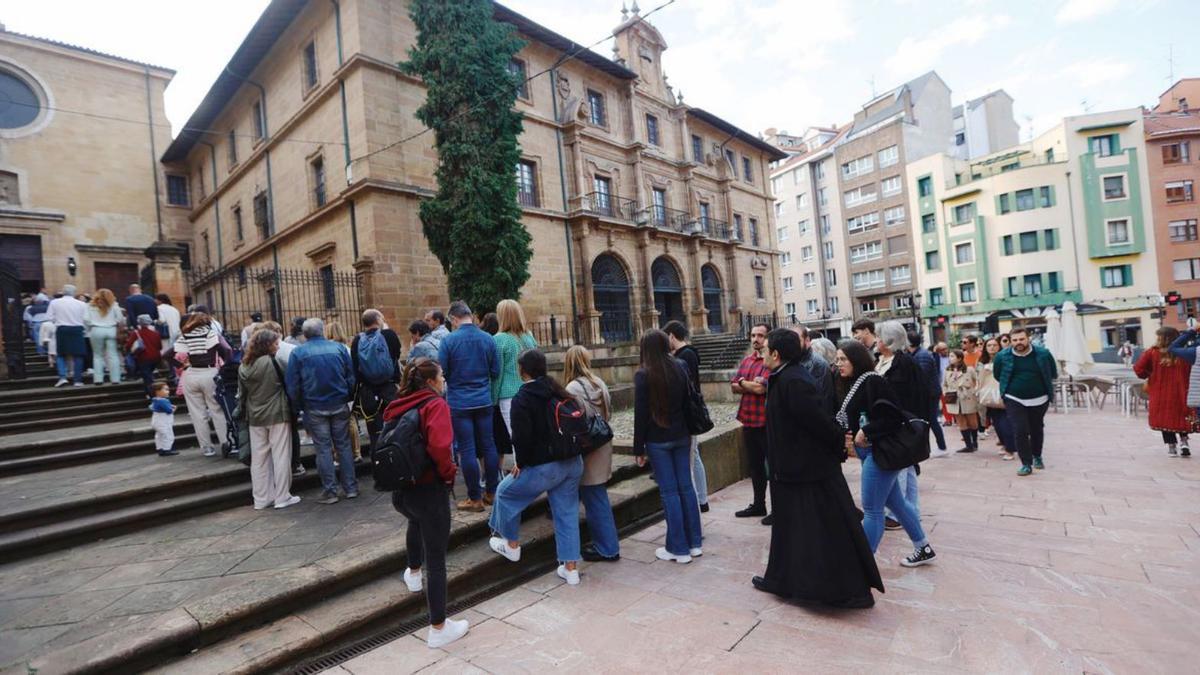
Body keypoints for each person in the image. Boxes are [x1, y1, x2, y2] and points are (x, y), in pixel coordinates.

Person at [751, 329, 883, 608]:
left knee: (820, 532)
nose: (761, 352)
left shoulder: (794, 380)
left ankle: (841, 590)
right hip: (790, 471)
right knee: (789, 529)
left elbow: (818, 423)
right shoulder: (784, 376)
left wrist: (837, 445)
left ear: (776, 354)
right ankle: (780, 579)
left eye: (765, 349)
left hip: (806, 471)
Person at [382, 358, 468, 649]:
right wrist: (448, 475)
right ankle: (439, 627)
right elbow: (441, 447)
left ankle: (413, 574)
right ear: (431, 381)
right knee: (438, 558)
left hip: (402, 490)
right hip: (429, 489)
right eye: (442, 376)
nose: (444, 380)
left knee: (414, 523)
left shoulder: (397, 404)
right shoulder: (435, 405)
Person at [834, 339, 937, 567]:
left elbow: (892, 417)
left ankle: (862, 564)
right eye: (837, 359)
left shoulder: (872, 381)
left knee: (872, 509)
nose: (838, 363)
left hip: (880, 453)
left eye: (843, 359)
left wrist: (866, 431)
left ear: (856, 360)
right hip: (875, 452)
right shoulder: (855, 382)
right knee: (897, 503)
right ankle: (923, 547)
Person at [488, 349, 585, 585]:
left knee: (504, 492)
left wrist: (520, 463)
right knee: (567, 513)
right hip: (572, 462)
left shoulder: (523, 397)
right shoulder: (557, 390)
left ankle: (511, 543)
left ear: (523, 370)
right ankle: (570, 569)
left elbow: (521, 437)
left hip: (546, 466)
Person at [635, 329, 702, 563]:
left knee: (670, 492)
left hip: (657, 439)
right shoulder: (681, 366)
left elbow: (640, 415)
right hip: (682, 434)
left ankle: (679, 548)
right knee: (685, 488)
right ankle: (695, 543)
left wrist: (638, 449)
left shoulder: (644, 374)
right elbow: (687, 402)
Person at [438, 301, 500, 512]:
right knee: (489, 445)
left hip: (459, 401)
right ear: (470, 315)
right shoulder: (488, 339)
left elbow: (443, 371)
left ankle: (475, 499)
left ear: (454, 319)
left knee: (467, 449)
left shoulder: (448, 341)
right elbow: (495, 371)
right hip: (483, 399)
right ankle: (491, 492)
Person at [286, 318, 357, 503]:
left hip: (314, 405)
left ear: (305, 333)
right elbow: (351, 376)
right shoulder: (339, 349)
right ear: (322, 331)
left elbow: (292, 385)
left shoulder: (298, 353)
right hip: (339, 402)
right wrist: (347, 396)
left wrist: (299, 405)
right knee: (343, 446)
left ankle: (330, 491)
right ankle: (350, 488)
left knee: (323, 449)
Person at [564, 345, 619, 562]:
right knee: (597, 496)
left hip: (588, 448)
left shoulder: (572, 388)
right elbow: (609, 413)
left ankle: (607, 548)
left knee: (595, 499)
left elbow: (573, 420)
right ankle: (605, 544)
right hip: (603, 444)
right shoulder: (600, 382)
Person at [239, 327, 301, 510]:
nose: (277, 346)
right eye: (275, 343)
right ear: (267, 345)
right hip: (277, 413)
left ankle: (261, 498)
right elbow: (291, 382)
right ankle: (282, 496)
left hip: (254, 415)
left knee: (259, 458)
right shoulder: (275, 361)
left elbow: (242, 394)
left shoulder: (244, 366)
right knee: (281, 455)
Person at [875, 321, 926, 526]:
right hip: (892, 422)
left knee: (900, 470)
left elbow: (905, 395)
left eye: (879, 337)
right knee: (907, 469)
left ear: (888, 341)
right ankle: (911, 511)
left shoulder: (903, 363)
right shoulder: (883, 360)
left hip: (900, 423)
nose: (877, 341)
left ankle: (896, 515)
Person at [992, 327, 1057, 476]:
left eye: (1021, 339)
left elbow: (1052, 372)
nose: (1018, 342)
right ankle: (1026, 463)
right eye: (1014, 340)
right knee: (1019, 430)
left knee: (1036, 428)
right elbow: (998, 375)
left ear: (1028, 338)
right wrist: (1008, 391)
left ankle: (1037, 456)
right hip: (1014, 398)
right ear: (1010, 341)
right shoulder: (1002, 356)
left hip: (1040, 399)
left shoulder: (1043, 354)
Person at [663, 320, 709, 514]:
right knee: (695, 456)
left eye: (667, 338)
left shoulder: (686, 355)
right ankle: (702, 499)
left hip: (689, 414)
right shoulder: (685, 354)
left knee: (691, 460)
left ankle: (697, 504)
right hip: (690, 412)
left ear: (672, 336)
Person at [175, 310, 233, 457]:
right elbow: (227, 350)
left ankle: (207, 447)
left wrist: (181, 364)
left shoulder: (185, 336)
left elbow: (168, 354)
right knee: (217, 410)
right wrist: (225, 365)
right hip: (210, 373)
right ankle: (226, 442)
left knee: (197, 414)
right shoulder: (211, 334)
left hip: (191, 374)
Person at [732, 323, 771, 524]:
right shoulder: (747, 360)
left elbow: (761, 389)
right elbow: (733, 386)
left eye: (760, 335)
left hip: (766, 422)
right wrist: (746, 384)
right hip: (748, 420)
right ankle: (758, 504)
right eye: (753, 335)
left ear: (767, 338)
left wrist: (742, 383)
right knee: (755, 466)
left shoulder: (770, 361)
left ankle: (779, 509)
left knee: (773, 467)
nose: (755, 339)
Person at [351, 309, 403, 457]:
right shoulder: (389, 335)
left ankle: (378, 468)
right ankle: (396, 464)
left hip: (368, 393)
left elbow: (355, 367)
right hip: (389, 389)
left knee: (374, 433)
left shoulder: (356, 341)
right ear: (379, 320)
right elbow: (396, 354)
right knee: (395, 429)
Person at [1135, 327, 1192, 457]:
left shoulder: (1152, 353)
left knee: (1164, 417)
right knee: (1181, 415)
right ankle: (1184, 442)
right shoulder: (1184, 353)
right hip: (1181, 391)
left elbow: (1139, 370)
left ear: (1161, 338)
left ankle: (1172, 447)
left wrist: (1150, 373)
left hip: (1160, 392)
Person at [491, 299, 538, 435]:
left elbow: (497, 374)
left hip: (509, 395)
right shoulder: (529, 337)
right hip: (531, 391)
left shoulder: (499, 339)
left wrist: (493, 399)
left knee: (518, 439)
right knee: (533, 436)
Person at [908, 332, 948, 457]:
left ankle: (942, 447)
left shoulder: (922, 356)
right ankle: (928, 448)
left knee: (931, 420)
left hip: (929, 393)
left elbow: (921, 376)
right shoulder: (917, 354)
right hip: (928, 393)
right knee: (928, 420)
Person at [978, 337, 1016, 460]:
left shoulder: (1005, 358)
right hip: (988, 395)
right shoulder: (982, 361)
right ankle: (1005, 444)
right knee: (997, 423)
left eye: (994, 345)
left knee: (1005, 422)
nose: (992, 347)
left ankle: (1010, 449)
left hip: (1003, 392)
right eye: (989, 345)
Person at [46, 285, 89, 387]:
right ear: (74, 293)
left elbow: (49, 317)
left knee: (61, 354)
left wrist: (59, 319)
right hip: (77, 329)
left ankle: (62, 377)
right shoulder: (82, 304)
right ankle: (77, 380)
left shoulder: (55, 302)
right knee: (78, 355)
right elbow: (86, 319)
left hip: (62, 328)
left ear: (63, 292)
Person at [84, 288, 124, 385]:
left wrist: (89, 328)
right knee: (113, 355)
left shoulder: (90, 306)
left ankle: (98, 379)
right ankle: (115, 379)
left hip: (96, 329)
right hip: (111, 329)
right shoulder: (114, 305)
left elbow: (86, 319)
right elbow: (120, 319)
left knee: (98, 356)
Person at [943, 349, 980, 453]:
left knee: (972, 421)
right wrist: (946, 393)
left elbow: (977, 381)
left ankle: (975, 442)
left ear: (959, 358)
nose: (950, 358)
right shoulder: (948, 371)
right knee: (961, 422)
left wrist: (973, 391)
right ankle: (968, 445)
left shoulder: (969, 369)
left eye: (952, 356)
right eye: (949, 356)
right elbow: (944, 384)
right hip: (953, 398)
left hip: (967, 397)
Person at [126, 314, 164, 397]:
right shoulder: (156, 333)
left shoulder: (136, 333)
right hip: (156, 358)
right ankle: (149, 391)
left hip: (143, 357)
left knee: (147, 376)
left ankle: (152, 394)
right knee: (148, 374)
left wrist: (130, 352)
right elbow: (159, 347)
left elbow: (128, 345)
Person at [149, 382, 177, 457]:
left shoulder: (155, 400)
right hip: (163, 422)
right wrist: (174, 408)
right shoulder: (164, 400)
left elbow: (151, 407)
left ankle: (160, 448)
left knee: (159, 435)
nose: (168, 391)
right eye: (165, 389)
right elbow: (169, 410)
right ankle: (167, 449)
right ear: (157, 391)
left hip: (156, 421)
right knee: (168, 435)